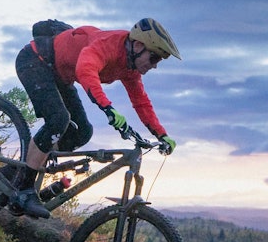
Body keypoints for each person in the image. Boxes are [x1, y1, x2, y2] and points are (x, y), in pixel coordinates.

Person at [9, 17, 180, 218]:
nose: (155, 66)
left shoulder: (129, 67)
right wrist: (107, 107)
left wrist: (162, 134)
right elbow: (85, 69)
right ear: (138, 45)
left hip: (60, 75)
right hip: (35, 60)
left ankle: (19, 171)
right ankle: (24, 191)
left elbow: (141, 102)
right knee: (58, 120)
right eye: (154, 59)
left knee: (83, 132)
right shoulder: (107, 44)